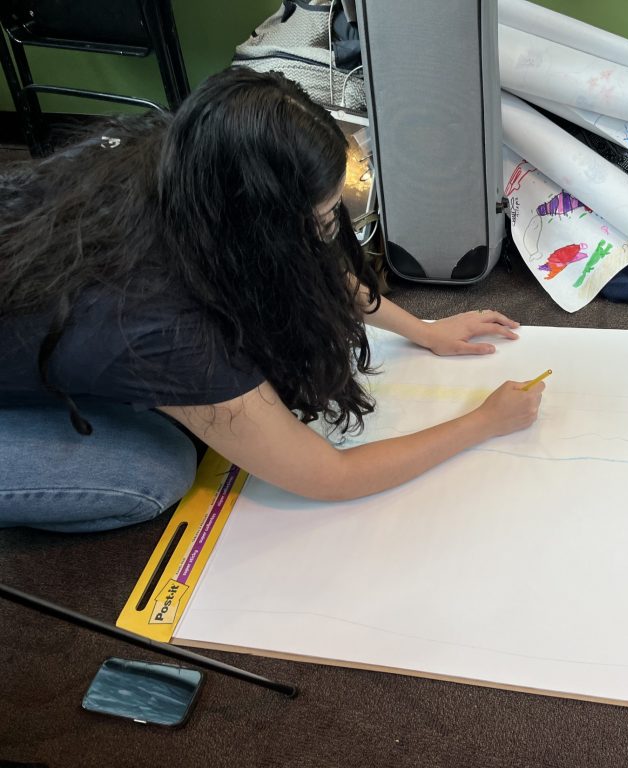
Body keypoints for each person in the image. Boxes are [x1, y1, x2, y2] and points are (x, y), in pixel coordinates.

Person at [0, 67, 544, 533]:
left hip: (37, 308)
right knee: (156, 471)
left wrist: (423, 329)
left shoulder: (191, 155)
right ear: (261, 233)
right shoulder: (169, 330)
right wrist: (481, 423)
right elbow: (330, 476)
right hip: (56, 343)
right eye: (324, 219)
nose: (331, 233)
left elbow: (309, 265)